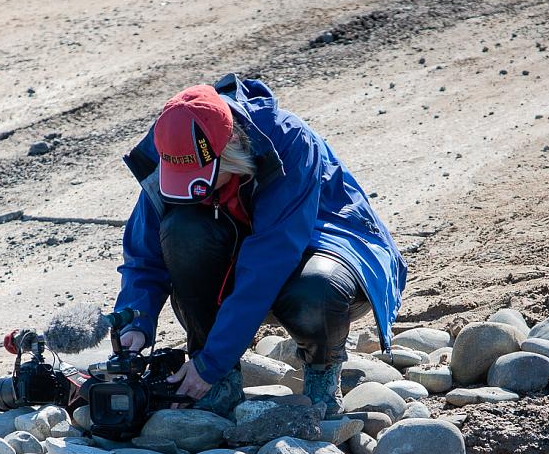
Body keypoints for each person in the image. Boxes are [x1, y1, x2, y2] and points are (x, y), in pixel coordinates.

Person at [115, 75, 407, 417]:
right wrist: (136, 321)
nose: (198, 191)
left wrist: (211, 363)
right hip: (247, 258)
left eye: (204, 179)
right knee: (181, 228)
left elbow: (267, 262)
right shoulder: (171, 143)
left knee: (316, 290)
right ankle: (221, 386)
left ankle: (322, 376)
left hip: (327, 248)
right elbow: (144, 257)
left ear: (232, 152)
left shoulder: (290, 141)